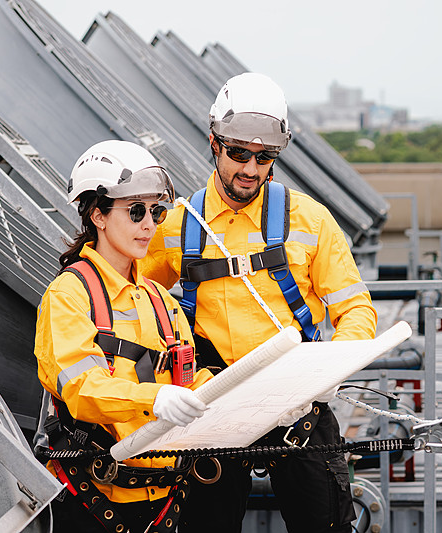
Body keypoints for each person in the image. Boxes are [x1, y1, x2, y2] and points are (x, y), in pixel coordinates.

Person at [140, 72, 378, 532]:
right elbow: (124, 300)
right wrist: (153, 388)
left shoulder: (307, 220)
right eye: (239, 154)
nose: (250, 169)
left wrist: (332, 365)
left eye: (265, 157)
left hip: (297, 403)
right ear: (214, 143)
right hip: (215, 403)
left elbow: (355, 309)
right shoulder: (176, 227)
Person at [34, 140, 213, 533]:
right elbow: (81, 388)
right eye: (135, 211)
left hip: (164, 506)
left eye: (157, 211)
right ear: (97, 214)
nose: (149, 224)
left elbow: (188, 379)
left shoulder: (161, 300)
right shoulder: (68, 295)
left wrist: (243, 397)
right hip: (89, 505)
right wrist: (156, 398)